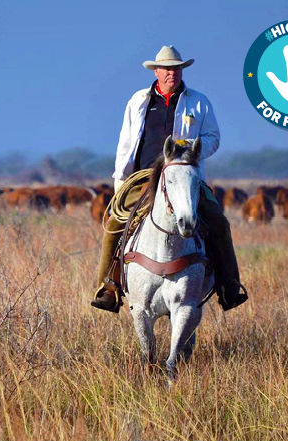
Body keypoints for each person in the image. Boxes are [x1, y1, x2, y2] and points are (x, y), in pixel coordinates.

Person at [91, 46, 248, 313]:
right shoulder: (138, 101)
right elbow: (126, 142)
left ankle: (229, 285)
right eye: (166, 68)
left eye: (176, 68)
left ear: (182, 70)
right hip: (142, 178)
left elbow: (213, 138)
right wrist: (120, 179)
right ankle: (108, 287)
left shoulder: (198, 102)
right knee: (115, 222)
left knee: (218, 221)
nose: (171, 73)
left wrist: (191, 147)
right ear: (156, 71)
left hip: (184, 176)